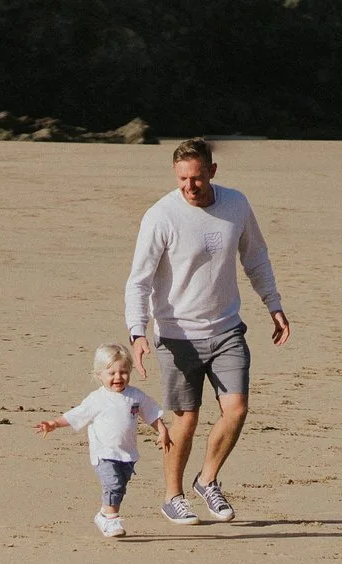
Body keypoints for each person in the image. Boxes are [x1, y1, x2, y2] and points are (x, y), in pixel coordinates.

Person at [124, 137, 290, 526]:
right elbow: (139, 280)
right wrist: (137, 331)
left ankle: (207, 479)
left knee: (237, 409)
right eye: (182, 178)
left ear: (212, 171)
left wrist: (274, 304)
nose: (190, 186)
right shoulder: (161, 216)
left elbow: (256, 257)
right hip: (177, 335)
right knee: (186, 419)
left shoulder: (236, 204)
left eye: (197, 178)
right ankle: (173, 496)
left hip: (227, 328)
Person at [37, 343, 170, 539]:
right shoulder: (97, 399)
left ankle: (103, 514)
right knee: (113, 484)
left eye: (123, 372)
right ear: (99, 375)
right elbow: (77, 415)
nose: (118, 377)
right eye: (112, 373)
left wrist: (162, 430)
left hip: (127, 454)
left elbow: (150, 413)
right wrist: (54, 423)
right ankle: (111, 519)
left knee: (119, 488)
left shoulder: (135, 396)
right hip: (104, 453)